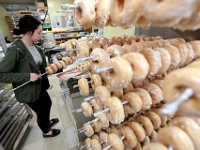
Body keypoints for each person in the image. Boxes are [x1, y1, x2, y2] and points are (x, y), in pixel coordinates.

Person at [0, 15, 60, 138]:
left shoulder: (35, 47)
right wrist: (27, 76)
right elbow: (1, 74)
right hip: (29, 90)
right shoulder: (15, 50)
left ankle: (47, 122)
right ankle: (46, 131)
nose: (41, 35)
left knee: (47, 103)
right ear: (29, 32)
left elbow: (39, 65)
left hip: (39, 86)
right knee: (42, 111)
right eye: (39, 33)